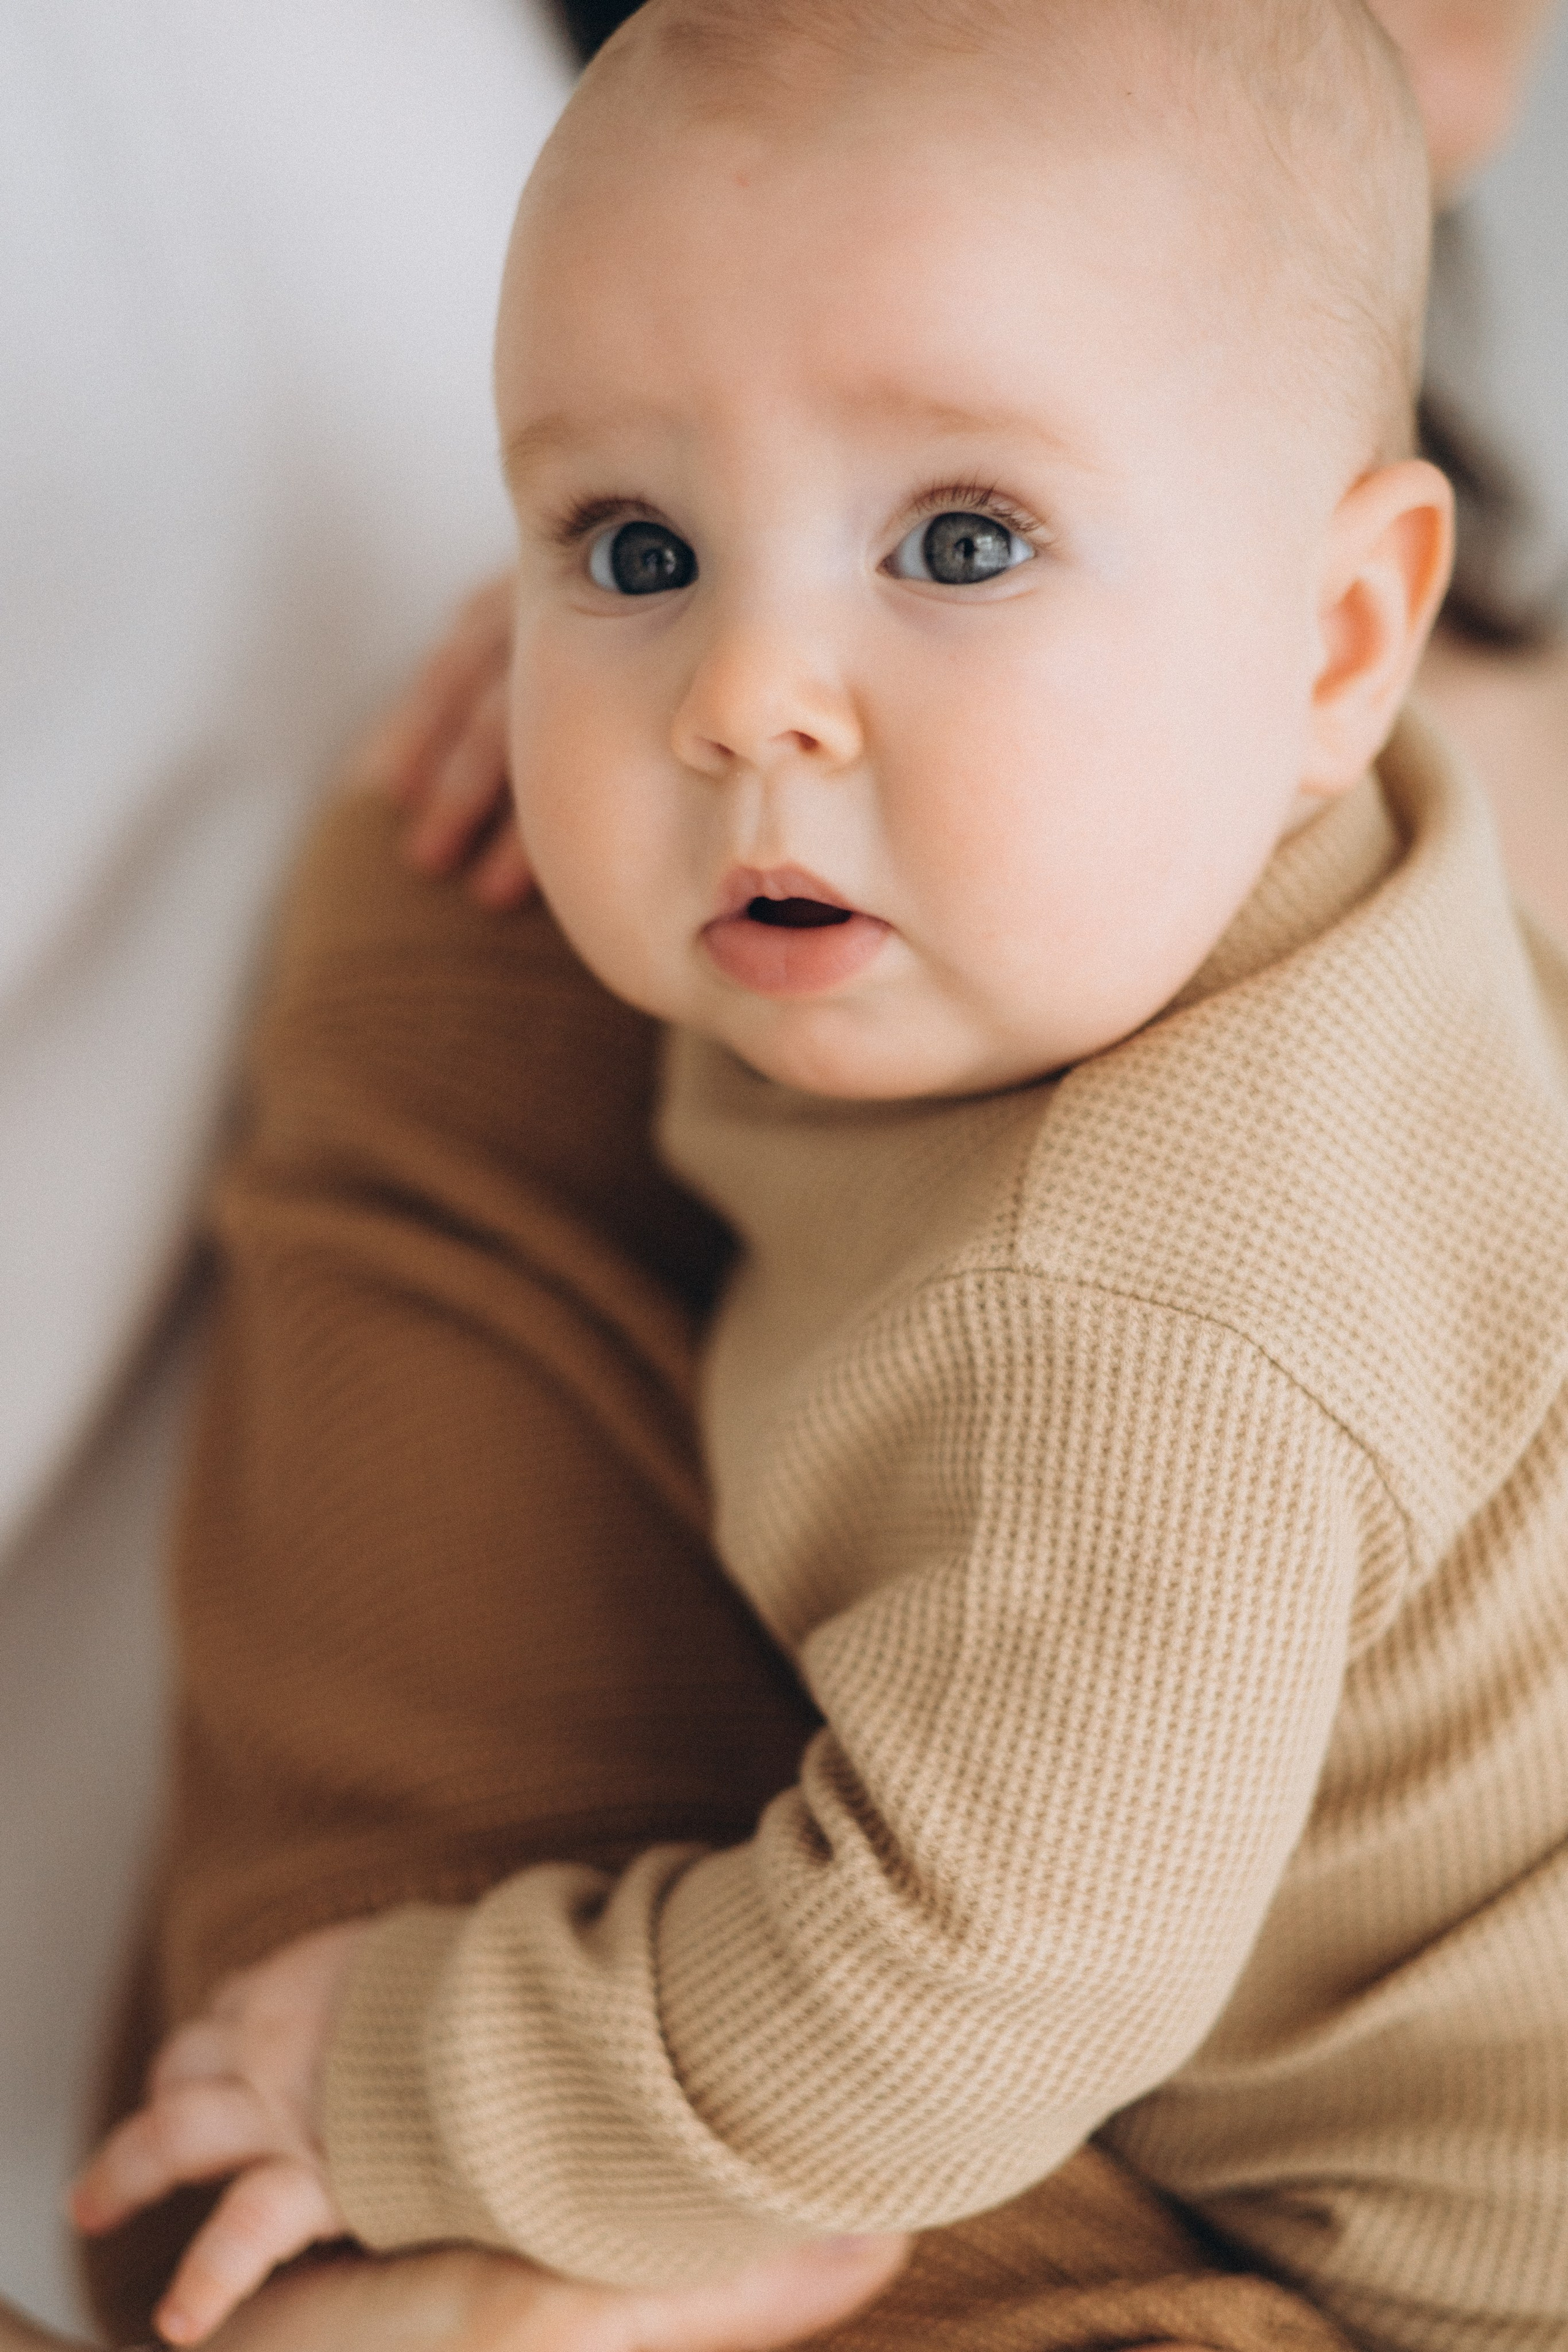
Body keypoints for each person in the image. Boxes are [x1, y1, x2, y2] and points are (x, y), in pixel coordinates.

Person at [74, 0, 1568, 2345]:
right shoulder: (1236, 851)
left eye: (962, 540)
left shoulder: (1141, 1306)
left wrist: (407, 2074)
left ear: (1340, 638)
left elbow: (958, 1998)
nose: (743, 688)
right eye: (634, 541)